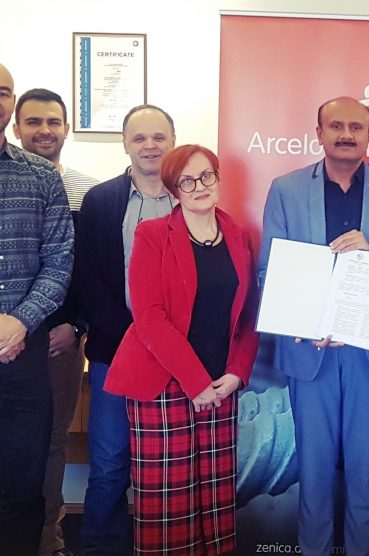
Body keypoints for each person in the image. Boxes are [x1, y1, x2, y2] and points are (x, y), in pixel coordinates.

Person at [258, 96, 369, 556]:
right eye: (336, 126)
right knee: (313, 476)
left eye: (356, 126)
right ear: (319, 133)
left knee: (365, 476)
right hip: (309, 351)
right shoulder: (286, 189)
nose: (346, 134)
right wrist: (300, 318)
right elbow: (269, 270)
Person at [102, 144, 258, 553]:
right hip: (163, 384)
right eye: (186, 181)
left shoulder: (239, 235)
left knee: (217, 502)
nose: (199, 186)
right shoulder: (152, 234)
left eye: (206, 175)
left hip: (221, 385)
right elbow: (149, 317)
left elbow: (249, 314)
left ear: (218, 177)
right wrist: (195, 382)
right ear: (174, 189)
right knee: (168, 507)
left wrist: (238, 373)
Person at [75, 104, 177, 554]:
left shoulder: (192, 198)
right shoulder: (100, 201)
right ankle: (101, 547)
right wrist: (138, 336)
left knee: (169, 464)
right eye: (139, 138)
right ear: (125, 144)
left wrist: (167, 341)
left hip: (179, 358)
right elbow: (87, 277)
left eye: (158, 137)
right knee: (110, 462)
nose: (150, 145)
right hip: (115, 352)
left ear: (173, 142)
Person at [13, 87, 98, 556]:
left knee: (49, 444)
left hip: (60, 341)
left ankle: (48, 540)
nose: (44, 131)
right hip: (8, 336)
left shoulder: (88, 192)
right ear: (16, 128)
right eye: (33, 122)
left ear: (66, 128)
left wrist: (76, 326)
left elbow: (88, 270)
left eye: (53, 122)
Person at [0, 62, 75, 556]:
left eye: (2, 91)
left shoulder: (41, 175)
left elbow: (59, 260)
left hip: (23, 354)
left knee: (24, 484)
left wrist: (20, 321)